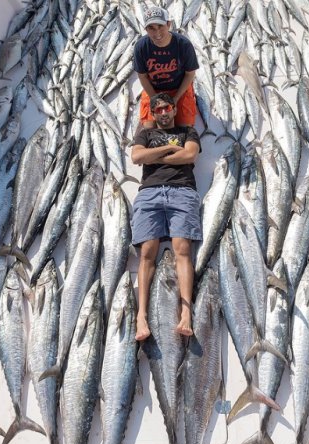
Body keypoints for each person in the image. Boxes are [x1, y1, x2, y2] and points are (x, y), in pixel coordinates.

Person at [131, 93, 202, 341]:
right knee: (147, 252)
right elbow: (137, 157)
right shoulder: (145, 134)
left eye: (167, 108)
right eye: (158, 109)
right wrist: (170, 149)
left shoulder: (188, 132)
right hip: (149, 193)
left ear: (174, 109)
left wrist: (155, 155)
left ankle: (185, 312)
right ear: (153, 113)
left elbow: (190, 155)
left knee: (182, 249)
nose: (163, 113)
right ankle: (142, 316)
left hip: (182, 191)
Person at [133, 6, 199, 129]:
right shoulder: (141, 47)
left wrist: (176, 98)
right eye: (151, 28)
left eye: (160, 26)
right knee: (149, 129)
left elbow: (190, 74)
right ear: (145, 29)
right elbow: (142, 77)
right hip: (153, 90)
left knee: (184, 129)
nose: (157, 33)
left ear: (168, 24)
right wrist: (154, 99)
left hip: (179, 89)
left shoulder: (184, 45)